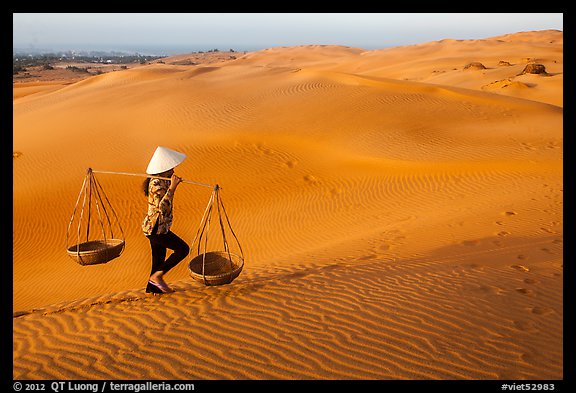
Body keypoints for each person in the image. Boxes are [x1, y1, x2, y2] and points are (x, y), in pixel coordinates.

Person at [141, 146, 190, 294]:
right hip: (156, 228)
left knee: (158, 260)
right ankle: (158, 276)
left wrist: (172, 184)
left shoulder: (163, 181)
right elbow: (161, 208)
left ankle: (152, 289)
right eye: (171, 168)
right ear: (164, 169)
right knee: (183, 249)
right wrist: (172, 189)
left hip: (159, 228)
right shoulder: (156, 184)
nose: (173, 171)